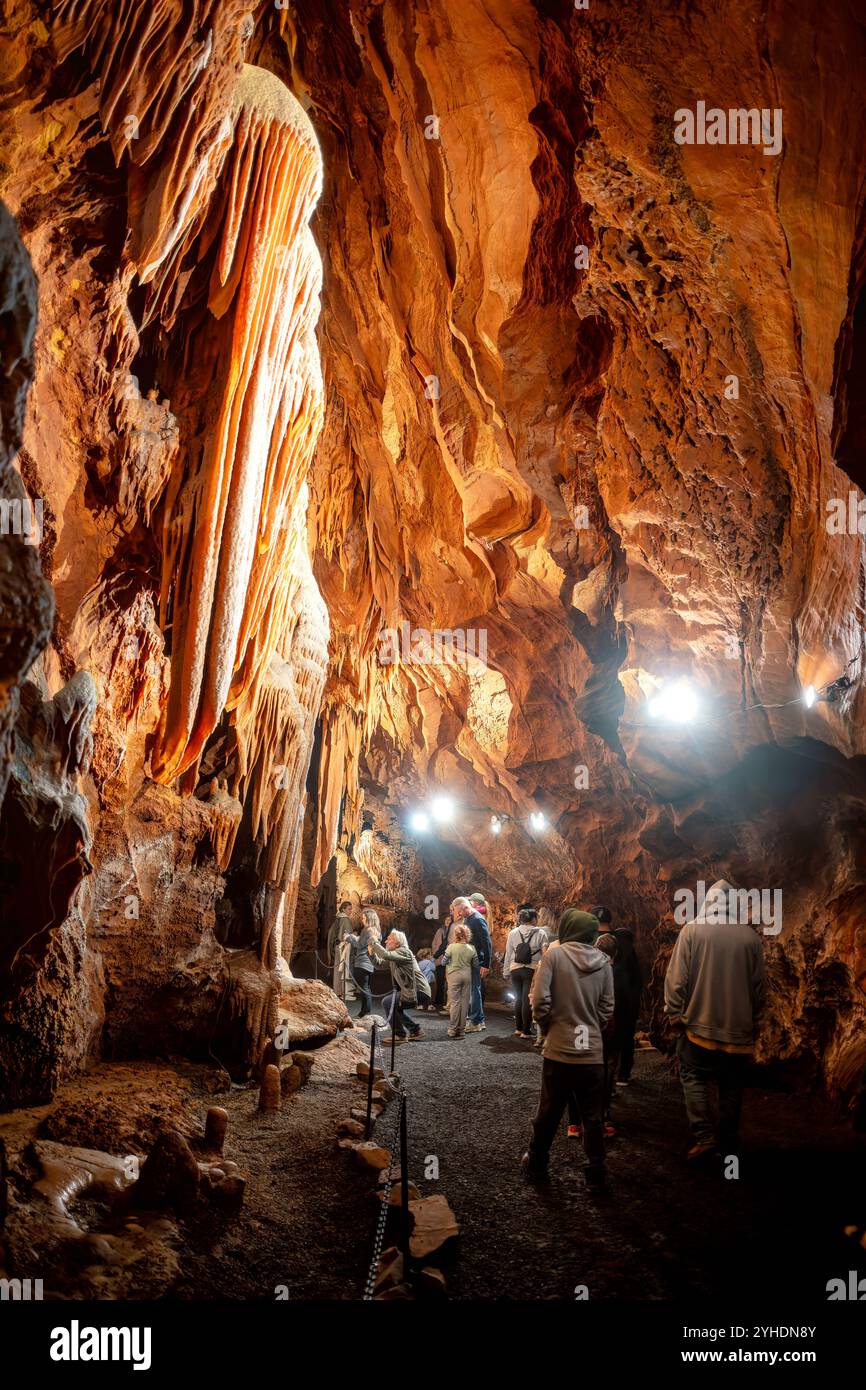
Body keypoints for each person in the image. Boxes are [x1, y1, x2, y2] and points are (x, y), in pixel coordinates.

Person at [664, 878, 766, 1161]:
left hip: (698, 1025)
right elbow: (759, 986)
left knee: (693, 1076)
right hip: (738, 1029)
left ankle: (704, 1137)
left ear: (707, 902)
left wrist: (674, 1014)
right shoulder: (750, 937)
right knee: (731, 1085)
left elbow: (676, 980)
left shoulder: (692, 931)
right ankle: (728, 1141)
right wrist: (757, 1019)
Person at [522, 907, 613, 1188]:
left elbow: (539, 1001)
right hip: (592, 1052)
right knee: (593, 1115)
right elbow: (607, 1006)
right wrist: (589, 1026)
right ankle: (596, 1171)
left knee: (549, 1110)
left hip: (560, 1048)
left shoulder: (554, 957)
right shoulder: (604, 962)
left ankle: (537, 1162)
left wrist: (549, 1026)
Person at [371, 929, 431, 1041]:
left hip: (419, 990)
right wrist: (372, 954)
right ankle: (415, 1031)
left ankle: (399, 1035)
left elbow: (385, 954)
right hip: (413, 990)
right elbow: (379, 965)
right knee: (394, 1006)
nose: (385, 942)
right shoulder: (395, 956)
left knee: (389, 1002)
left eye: (389, 939)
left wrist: (374, 942)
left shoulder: (404, 951)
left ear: (398, 943)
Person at [503, 907, 546, 1037]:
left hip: (515, 969)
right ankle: (526, 1031)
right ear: (533, 919)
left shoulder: (513, 932)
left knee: (518, 999)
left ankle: (518, 1028)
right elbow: (545, 954)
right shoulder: (541, 933)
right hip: (531, 969)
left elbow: (508, 953)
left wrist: (506, 971)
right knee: (527, 999)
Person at [451, 897, 491, 1032]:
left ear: (465, 908)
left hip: (476, 961)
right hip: (471, 960)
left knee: (475, 991)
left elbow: (487, 943)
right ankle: (478, 1019)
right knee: (473, 990)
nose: (459, 915)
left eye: (459, 912)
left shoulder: (477, 920)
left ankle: (475, 1021)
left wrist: (486, 964)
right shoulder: (468, 918)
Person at [612, 925, 643, 1084]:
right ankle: (624, 1073)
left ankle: (612, 1071)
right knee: (627, 1038)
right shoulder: (634, 960)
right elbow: (638, 984)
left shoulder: (613, 959)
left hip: (614, 1006)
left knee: (613, 1038)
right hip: (630, 1007)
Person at [443, 923, 476, 1038]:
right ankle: (461, 1030)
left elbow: (443, 962)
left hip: (454, 975)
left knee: (455, 1003)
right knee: (465, 1003)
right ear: (467, 935)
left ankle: (452, 1029)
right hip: (467, 975)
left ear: (456, 935)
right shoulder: (471, 948)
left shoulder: (451, 947)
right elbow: (475, 964)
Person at [351, 908, 380, 1017]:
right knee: (365, 987)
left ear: (369, 918)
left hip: (363, 961)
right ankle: (365, 1011)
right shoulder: (375, 930)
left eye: (363, 918)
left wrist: (350, 938)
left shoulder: (368, 930)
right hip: (368, 962)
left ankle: (365, 1012)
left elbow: (359, 945)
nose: (362, 920)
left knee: (364, 987)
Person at [326, 901, 354, 999]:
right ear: (343, 909)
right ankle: (341, 991)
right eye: (349, 909)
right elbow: (345, 935)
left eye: (351, 909)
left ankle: (338, 990)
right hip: (343, 947)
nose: (351, 911)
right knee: (342, 969)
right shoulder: (345, 919)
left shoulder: (338, 918)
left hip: (338, 946)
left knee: (338, 969)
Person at [431, 915, 455, 1010]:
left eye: (449, 920)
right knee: (440, 979)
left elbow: (446, 944)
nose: (447, 921)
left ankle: (448, 1001)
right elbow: (435, 943)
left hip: (449, 959)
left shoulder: (453, 931)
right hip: (440, 959)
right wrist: (435, 955)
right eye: (446, 920)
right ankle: (439, 999)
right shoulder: (440, 931)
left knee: (450, 981)